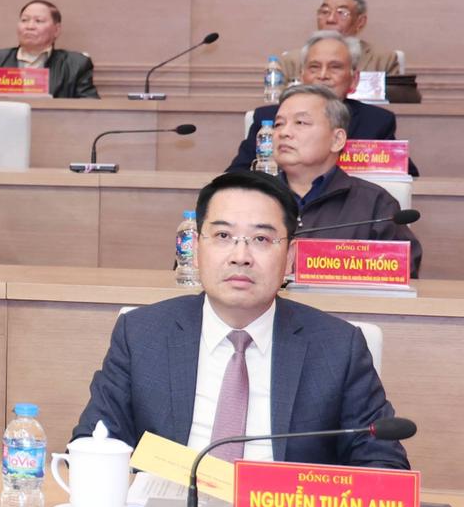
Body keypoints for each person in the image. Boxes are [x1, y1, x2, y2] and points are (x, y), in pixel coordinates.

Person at [71, 171, 408, 469]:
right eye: (223, 236)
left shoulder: (338, 347)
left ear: (290, 257)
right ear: (196, 248)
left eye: (261, 239)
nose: (240, 256)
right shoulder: (141, 335)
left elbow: (383, 463)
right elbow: (94, 440)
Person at [273, 83, 421, 272]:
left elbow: (403, 267)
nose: (284, 133)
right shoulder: (255, 197)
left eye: (300, 122)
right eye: (278, 124)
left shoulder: (374, 203)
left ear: (337, 140)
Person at [229, 32, 410, 174]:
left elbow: (404, 174)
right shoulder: (268, 117)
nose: (323, 75)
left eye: (335, 67)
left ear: (354, 79)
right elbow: (236, 174)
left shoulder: (376, 121)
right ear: (302, 76)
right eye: (314, 67)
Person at [0, 0, 99, 98]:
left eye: (38, 21)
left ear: (56, 30)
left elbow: (89, 108)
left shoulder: (76, 64)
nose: (30, 26)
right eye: (24, 20)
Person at [280, 0, 401, 82]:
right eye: (325, 12)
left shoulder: (383, 60)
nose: (331, 19)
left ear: (360, 22)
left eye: (342, 13)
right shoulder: (291, 61)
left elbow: (398, 98)